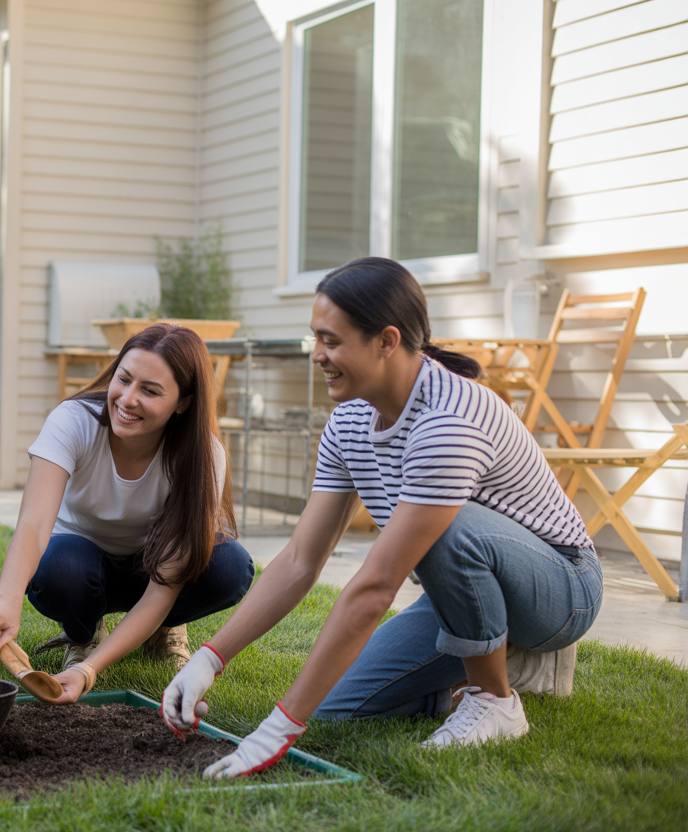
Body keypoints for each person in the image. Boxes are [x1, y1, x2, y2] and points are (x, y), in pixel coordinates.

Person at [161, 257, 603, 777]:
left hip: (561, 588)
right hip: (464, 593)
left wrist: (277, 730)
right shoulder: (349, 420)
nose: (317, 355)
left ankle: (494, 700)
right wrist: (209, 658)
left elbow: (375, 588)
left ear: (387, 341)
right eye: (315, 339)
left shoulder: (447, 423)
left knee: (451, 531)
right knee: (339, 707)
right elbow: (301, 559)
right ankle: (486, 671)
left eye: (331, 340)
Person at [0, 323, 255, 703]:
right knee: (59, 566)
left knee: (230, 565)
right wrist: (6, 599)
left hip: (150, 570)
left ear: (182, 402)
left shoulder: (203, 457)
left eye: (150, 391)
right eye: (125, 379)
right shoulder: (73, 421)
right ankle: (83, 632)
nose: (127, 399)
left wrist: (90, 671)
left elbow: (161, 590)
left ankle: (164, 630)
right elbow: (34, 525)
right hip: (80, 564)